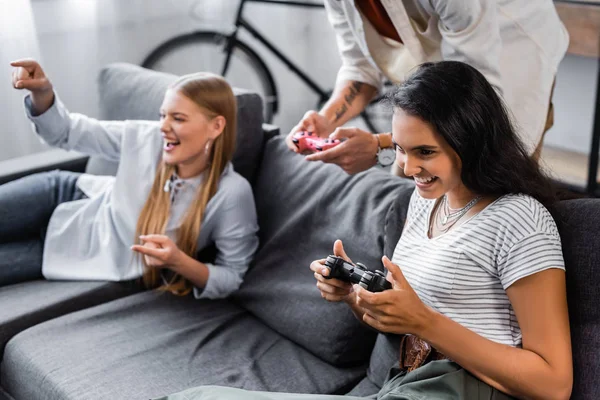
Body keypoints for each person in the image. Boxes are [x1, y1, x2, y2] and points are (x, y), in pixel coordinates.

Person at [157, 61, 572, 399]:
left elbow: (554, 383)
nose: (408, 170)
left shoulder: (519, 219)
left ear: (474, 141)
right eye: (402, 150)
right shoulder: (425, 201)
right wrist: (357, 298)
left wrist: (425, 322)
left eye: (425, 152)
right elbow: (405, 324)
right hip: (403, 383)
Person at [1, 59, 259, 298]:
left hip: (72, 251)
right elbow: (68, 133)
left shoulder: (230, 194)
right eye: (163, 115)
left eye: (178, 118)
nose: (163, 127)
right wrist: (42, 93)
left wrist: (177, 261)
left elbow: (231, 276)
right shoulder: (146, 138)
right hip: (67, 194)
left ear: (216, 126)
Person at [286, 0, 568, 175]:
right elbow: (360, 67)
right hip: (446, 81)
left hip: (513, 60)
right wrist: (326, 120)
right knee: (414, 201)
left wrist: (382, 147)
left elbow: (474, 96)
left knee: (497, 192)